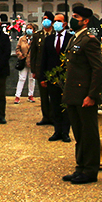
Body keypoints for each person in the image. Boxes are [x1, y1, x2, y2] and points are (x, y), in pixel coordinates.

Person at [61, 7, 102, 184]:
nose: (72, 20)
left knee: (89, 134)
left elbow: (98, 69)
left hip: (84, 95)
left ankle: (90, 171)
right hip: (73, 94)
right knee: (79, 133)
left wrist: (92, 95)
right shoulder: (75, 38)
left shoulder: (89, 40)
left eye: (76, 17)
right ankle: (81, 167)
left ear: (85, 21)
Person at [40, 13, 72, 142]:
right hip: (52, 77)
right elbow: (44, 59)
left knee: (66, 106)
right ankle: (57, 131)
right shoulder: (49, 39)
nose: (56, 24)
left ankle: (65, 132)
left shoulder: (71, 38)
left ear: (64, 24)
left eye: (59, 21)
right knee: (55, 105)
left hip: (66, 77)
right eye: (55, 21)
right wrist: (43, 77)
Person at [33, 12, 55, 126]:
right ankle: (45, 116)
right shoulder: (38, 35)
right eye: (43, 19)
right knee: (44, 95)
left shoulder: (56, 33)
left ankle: (54, 116)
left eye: (47, 19)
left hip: (53, 69)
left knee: (54, 94)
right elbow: (34, 54)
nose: (44, 21)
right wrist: (34, 70)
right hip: (41, 69)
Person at [14, 24, 36, 104]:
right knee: (22, 78)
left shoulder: (35, 39)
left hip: (32, 62)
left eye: (30, 28)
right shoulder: (22, 39)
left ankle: (31, 95)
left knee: (32, 79)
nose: (29, 30)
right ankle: (17, 96)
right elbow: (17, 48)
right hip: (24, 61)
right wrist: (20, 55)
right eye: (27, 28)